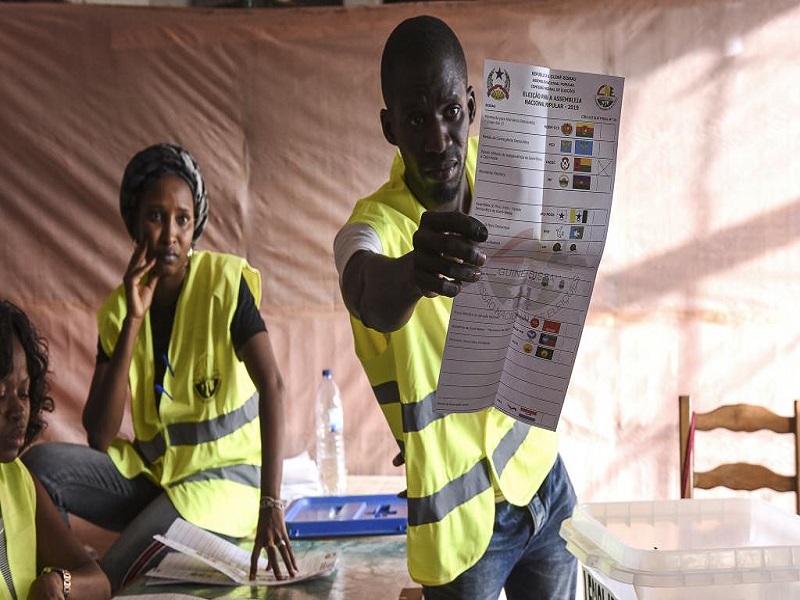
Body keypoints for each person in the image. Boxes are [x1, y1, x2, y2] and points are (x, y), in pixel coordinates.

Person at [333, 15, 577, 600]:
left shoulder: (508, 181)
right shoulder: (374, 227)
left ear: (471, 106)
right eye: (416, 119)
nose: (438, 139)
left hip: (541, 476)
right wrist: (413, 273)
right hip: (463, 528)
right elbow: (363, 286)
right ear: (390, 127)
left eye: (450, 112)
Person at [23, 143, 297, 592]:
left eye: (182, 219)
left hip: (222, 486)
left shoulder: (224, 284)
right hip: (154, 477)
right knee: (37, 469)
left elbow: (273, 385)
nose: (170, 233)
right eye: (156, 216)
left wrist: (271, 503)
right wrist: (133, 319)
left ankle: (76, 584)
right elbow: (100, 435)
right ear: (135, 223)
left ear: (195, 226)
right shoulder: (118, 309)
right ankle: (72, 567)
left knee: (117, 568)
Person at [0, 300, 111, 600]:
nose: (18, 411)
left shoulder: (18, 481)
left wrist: (60, 583)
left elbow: (99, 582)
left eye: (23, 393)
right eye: (0, 394)